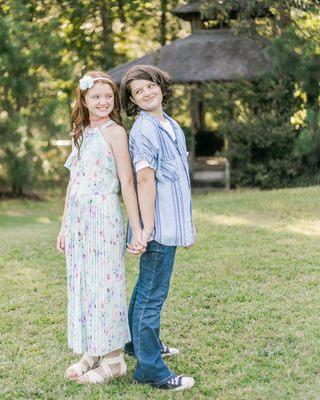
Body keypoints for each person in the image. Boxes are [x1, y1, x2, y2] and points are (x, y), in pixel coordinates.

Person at [56, 70, 145, 385]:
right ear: (84, 99)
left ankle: (114, 358)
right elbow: (73, 180)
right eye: (97, 96)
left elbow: (127, 181)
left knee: (105, 284)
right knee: (83, 284)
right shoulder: (79, 131)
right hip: (79, 219)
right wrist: (64, 226)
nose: (103, 101)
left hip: (104, 215)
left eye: (108, 96)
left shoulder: (115, 132)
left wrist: (136, 227)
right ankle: (92, 350)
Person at [120, 65, 196, 391]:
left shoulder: (170, 124)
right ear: (134, 101)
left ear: (161, 86)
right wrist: (145, 228)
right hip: (156, 226)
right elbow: (144, 179)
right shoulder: (144, 130)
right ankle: (150, 368)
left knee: (145, 288)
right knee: (152, 296)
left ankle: (135, 345)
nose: (146, 93)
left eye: (149, 86)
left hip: (169, 222)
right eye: (138, 92)